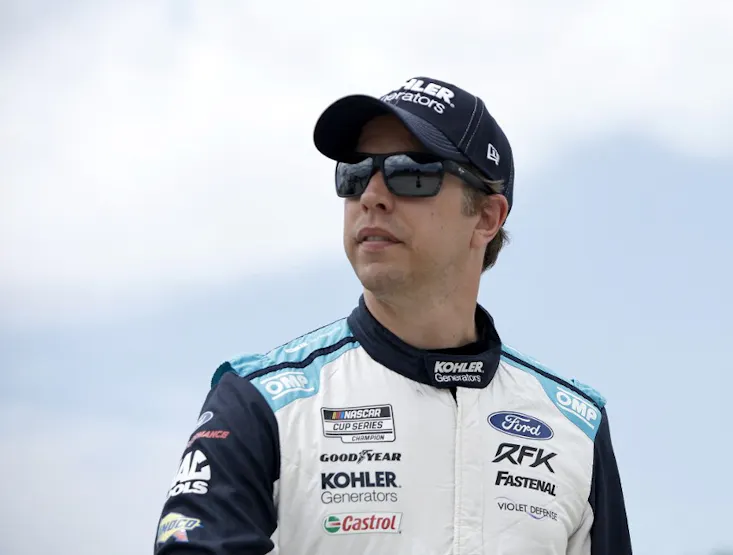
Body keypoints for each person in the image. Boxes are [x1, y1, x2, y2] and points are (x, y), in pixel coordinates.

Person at [153, 76, 632, 554]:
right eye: (355, 173)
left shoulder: (576, 426)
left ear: (486, 217)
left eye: (411, 173)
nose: (371, 196)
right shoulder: (258, 402)